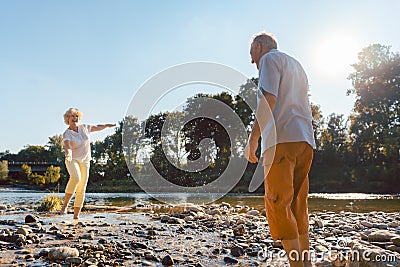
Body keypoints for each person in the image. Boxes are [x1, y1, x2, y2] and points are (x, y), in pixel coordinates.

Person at [245, 32, 316, 267]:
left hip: (281, 140)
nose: (253, 62)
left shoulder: (269, 59)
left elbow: (269, 99)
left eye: (252, 55)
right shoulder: (296, 65)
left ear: (259, 46)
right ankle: (305, 264)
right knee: (297, 204)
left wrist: (253, 138)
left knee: (278, 204)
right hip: (305, 140)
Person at [60, 108, 116, 219]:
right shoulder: (67, 133)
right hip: (72, 159)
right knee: (76, 177)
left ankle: (76, 217)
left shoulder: (84, 128)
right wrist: (68, 154)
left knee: (82, 188)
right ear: (67, 119)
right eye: (72, 116)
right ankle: (65, 206)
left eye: (76, 116)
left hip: (85, 161)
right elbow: (67, 145)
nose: (74, 118)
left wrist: (108, 126)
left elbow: (98, 127)